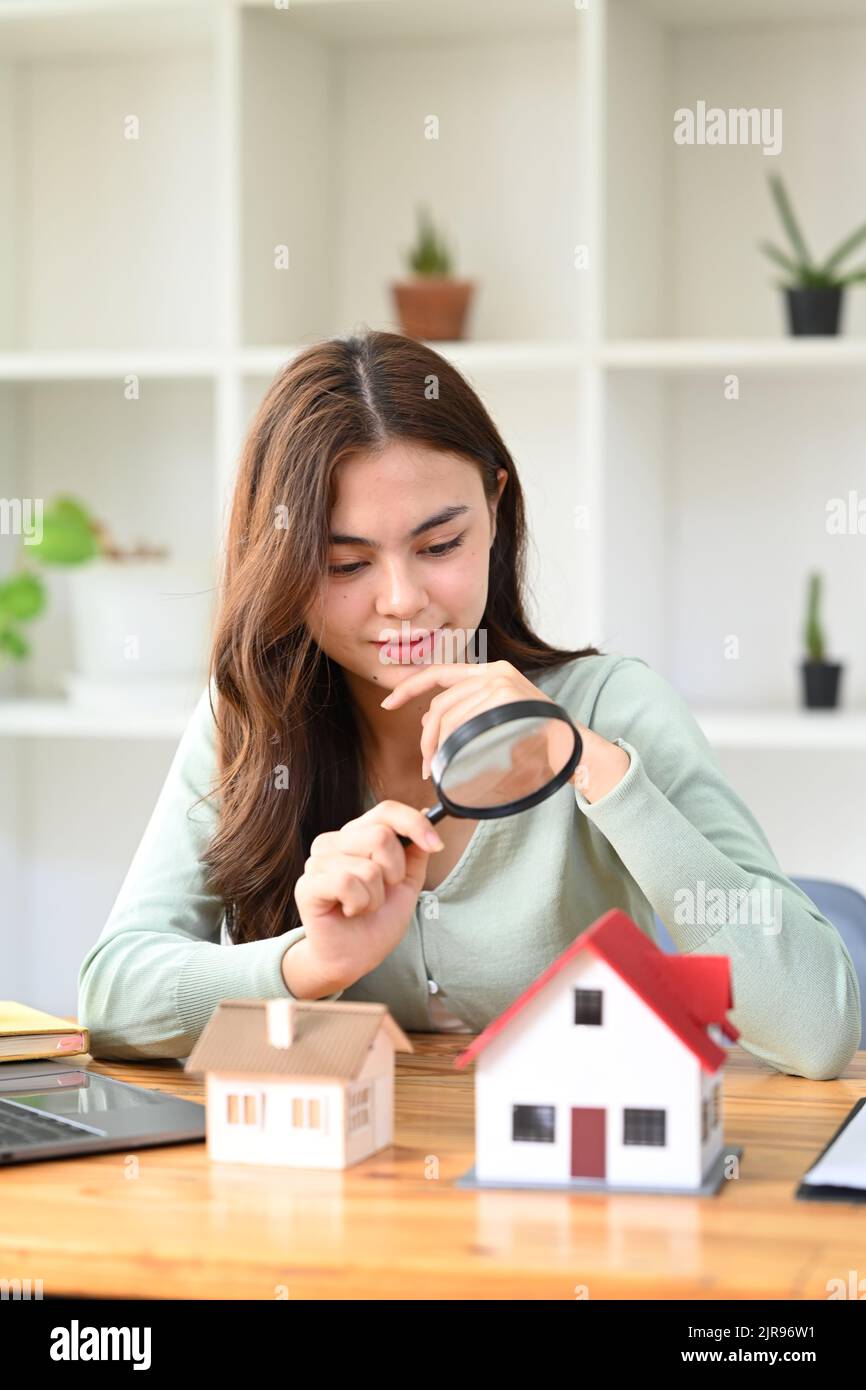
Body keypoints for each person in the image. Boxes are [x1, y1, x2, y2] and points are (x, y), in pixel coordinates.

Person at [78, 329, 861, 1078]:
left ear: (495, 508)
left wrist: (591, 767)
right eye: (345, 564)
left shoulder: (611, 707)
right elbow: (113, 997)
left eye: (440, 546)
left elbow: (818, 1030)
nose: (402, 601)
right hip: (352, 1189)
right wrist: (310, 964)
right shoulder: (248, 718)